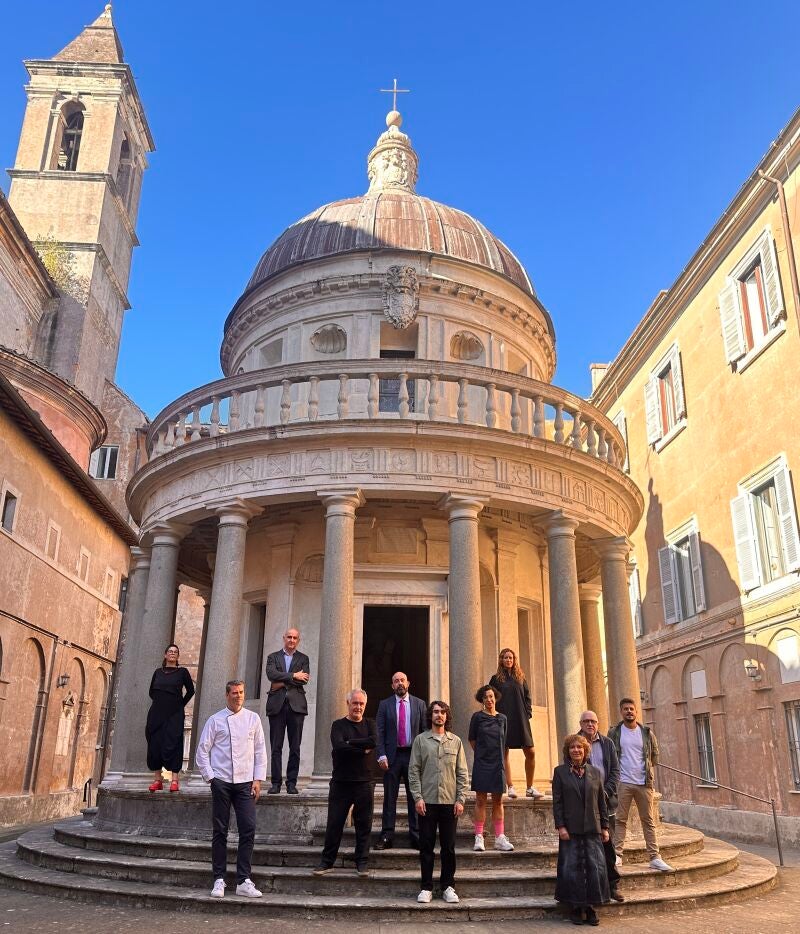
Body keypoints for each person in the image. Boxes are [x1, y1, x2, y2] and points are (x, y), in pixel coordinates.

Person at [195, 679, 267, 899]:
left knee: (248, 828)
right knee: (220, 831)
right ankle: (219, 878)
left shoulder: (253, 719)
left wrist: (258, 779)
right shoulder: (215, 720)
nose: (238, 696)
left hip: (245, 782)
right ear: (227, 695)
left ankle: (244, 879)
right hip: (222, 782)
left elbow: (260, 751)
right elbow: (202, 752)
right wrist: (212, 778)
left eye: (241, 692)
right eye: (234, 693)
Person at [408, 700, 468, 905]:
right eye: (435, 712)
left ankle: (448, 886)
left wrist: (460, 799)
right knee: (426, 846)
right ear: (430, 716)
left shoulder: (456, 742)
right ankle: (426, 887)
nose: (439, 715)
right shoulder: (420, 741)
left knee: (448, 847)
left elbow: (462, 773)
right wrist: (417, 797)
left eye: (443, 712)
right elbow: (413, 771)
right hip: (427, 802)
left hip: (450, 803)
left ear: (447, 716)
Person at [313, 689, 376, 876]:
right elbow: (339, 746)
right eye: (354, 703)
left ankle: (362, 863)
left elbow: (374, 741)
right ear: (347, 703)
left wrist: (350, 743)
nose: (358, 707)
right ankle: (327, 862)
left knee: (364, 825)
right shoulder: (338, 725)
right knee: (334, 823)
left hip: (364, 783)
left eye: (361, 704)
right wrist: (361, 748)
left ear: (365, 705)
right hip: (341, 782)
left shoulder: (370, 724)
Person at [552, 733, 611, 926]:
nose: (576, 750)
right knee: (573, 868)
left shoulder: (595, 772)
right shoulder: (560, 772)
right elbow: (558, 802)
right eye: (572, 748)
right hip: (570, 829)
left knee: (595, 868)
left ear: (585, 751)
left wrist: (604, 826)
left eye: (579, 748)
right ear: (567, 751)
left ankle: (591, 907)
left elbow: (602, 801)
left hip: (592, 828)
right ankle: (576, 907)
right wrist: (560, 826)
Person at [609, 697, 673, 872]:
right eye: (625, 709)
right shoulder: (615, 733)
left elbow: (655, 756)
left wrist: (646, 771)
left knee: (648, 820)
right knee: (620, 819)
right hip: (623, 783)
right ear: (621, 712)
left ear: (636, 711)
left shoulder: (646, 732)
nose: (629, 711)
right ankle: (617, 855)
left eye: (631, 709)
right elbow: (610, 756)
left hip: (644, 783)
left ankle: (654, 857)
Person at [375, 671, 427, 850]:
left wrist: (424, 758)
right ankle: (387, 836)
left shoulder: (420, 704)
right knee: (390, 798)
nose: (399, 683)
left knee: (415, 797)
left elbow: (425, 733)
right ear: (392, 685)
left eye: (402, 680)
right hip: (392, 757)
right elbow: (379, 732)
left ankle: (416, 836)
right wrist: (381, 754)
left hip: (413, 756)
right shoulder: (384, 705)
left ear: (408, 683)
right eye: (396, 681)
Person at [578, 710, 623, 902]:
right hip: (584, 804)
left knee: (608, 846)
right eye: (586, 721)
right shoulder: (575, 744)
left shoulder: (607, 743)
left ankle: (612, 886)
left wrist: (604, 793)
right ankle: (590, 888)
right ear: (580, 724)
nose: (590, 724)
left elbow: (615, 771)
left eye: (593, 721)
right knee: (586, 848)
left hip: (606, 802)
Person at [489, 648, 543, 799]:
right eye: (506, 658)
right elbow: (490, 698)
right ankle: (510, 786)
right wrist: (494, 717)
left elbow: (527, 697)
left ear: (514, 660)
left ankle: (530, 787)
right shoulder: (496, 679)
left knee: (530, 752)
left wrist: (528, 713)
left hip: (520, 718)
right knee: (504, 752)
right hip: (503, 719)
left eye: (511, 658)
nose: (508, 660)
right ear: (501, 660)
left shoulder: (521, 678)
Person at [265, 628, 310, 794]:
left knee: (295, 747)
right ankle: (276, 783)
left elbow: (304, 680)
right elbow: (271, 674)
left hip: (296, 707)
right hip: (276, 706)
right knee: (276, 747)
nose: (291, 640)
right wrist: (293, 676)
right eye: (289, 637)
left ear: (298, 640)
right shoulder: (273, 657)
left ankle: (291, 783)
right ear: (284, 638)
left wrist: (281, 680)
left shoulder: (303, 658)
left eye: (295, 638)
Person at [469, 684, 513, 852]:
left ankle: (500, 838)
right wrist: (482, 754)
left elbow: (504, 743)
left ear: (495, 698)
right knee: (480, 800)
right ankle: (479, 837)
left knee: (498, 800)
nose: (489, 699)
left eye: (491, 696)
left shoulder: (503, 718)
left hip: (498, 764)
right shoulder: (477, 717)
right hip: (482, 763)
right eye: (485, 697)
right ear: (482, 700)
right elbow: (472, 739)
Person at [145, 643, 194, 792]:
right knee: (155, 743)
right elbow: (151, 692)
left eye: (175, 652)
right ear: (165, 655)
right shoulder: (157, 672)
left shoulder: (182, 672)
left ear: (178, 656)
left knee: (174, 743)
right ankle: (157, 780)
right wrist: (161, 703)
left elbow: (191, 691)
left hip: (174, 714)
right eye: (170, 651)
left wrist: (179, 705)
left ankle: (174, 780)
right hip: (157, 713)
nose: (172, 653)